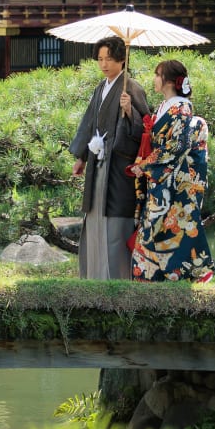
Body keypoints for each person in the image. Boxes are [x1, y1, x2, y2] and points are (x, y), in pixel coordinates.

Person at [69, 35, 149, 279]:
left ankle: (117, 277)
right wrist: (82, 157)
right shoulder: (100, 89)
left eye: (109, 59)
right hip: (97, 161)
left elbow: (146, 129)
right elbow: (89, 124)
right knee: (94, 215)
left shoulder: (131, 88)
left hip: (118, 167)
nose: (104, 64)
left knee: (115, 221)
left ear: (121, 60)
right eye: (100, 59)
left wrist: (129, 111)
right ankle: (94, 274)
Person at [129, 59, 215, 283]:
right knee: (158, 226)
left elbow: (176, 146)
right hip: (161, 178)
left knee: (162, 226)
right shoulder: (164, 106)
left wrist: (146, 165)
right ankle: (159, 275)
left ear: (167, 80)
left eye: (157, 75)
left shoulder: (181, 107)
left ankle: (158, 275)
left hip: (173, 179)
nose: (154, 80)